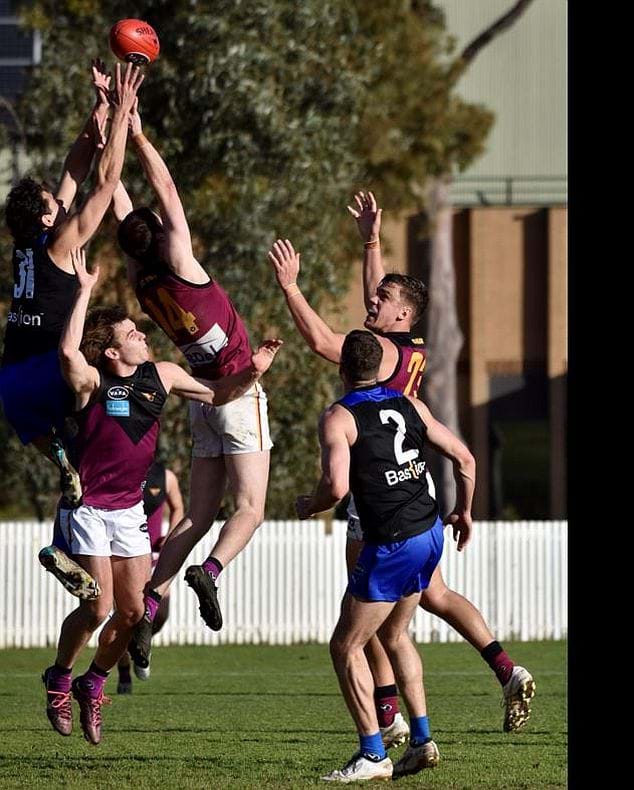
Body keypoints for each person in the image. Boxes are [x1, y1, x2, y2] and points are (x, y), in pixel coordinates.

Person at [266, 190, 535, 736]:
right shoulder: (406, 346)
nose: (373, 300)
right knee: (429, 597)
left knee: (372, 623)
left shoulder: (378, 352)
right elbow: (376, 298)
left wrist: (290, 287)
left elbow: (321, 340)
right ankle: (504, 671)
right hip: (416, 490)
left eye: (384, 298)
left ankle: (387, 721)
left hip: (378, 495)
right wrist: (370, 240)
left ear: (403, 313)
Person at [41, 250, 280, 744]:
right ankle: (61, 678)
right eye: (132, 334)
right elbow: (68, 353)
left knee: (131, 614)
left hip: (130, 511)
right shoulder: (91, 383)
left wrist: (253, 371)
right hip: (89, 507)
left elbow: (217, 394)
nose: (143, 335)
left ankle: (94, 682)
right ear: (110, 353)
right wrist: (84, 290)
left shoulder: (164, 375)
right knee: (97, 607)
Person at [109, 96, 273, 662]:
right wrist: (136, 134)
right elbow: (167, 192)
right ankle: (210, 570)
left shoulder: (142, 278)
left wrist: (107, 134)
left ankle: (152, 603)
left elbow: (124, 213)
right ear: (161, 233)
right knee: (250, 507)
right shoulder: (179, 261)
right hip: (235, 389)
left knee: (197, 513)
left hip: (198, 401)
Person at [297, 330, 475, 781]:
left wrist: (309, 504)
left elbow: (336, 488)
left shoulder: (338, 417)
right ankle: (420, 741)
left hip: (391, 540)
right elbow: (465, 459)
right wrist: (465, 511)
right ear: (381, 368)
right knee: (395, 637)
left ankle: (373, 754)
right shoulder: (410, 404)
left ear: (342, 369)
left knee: (345, 644)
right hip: (429, 532)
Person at [4, 61, 144, 601]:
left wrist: (100, 108)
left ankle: (58, 543)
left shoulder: (26, 246)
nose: (59, 205)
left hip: (11, 380)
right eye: (52, 205)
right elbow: (104, 181)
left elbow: (74, 164)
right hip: (51, 368)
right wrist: (126, 110)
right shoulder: (62, 246)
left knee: (69, 461)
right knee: (97, 436)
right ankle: (68, 526)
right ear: (46, 219)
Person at [116, 460, 184, 694]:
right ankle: (124, 672)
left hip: (155, 554)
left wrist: (171, 535)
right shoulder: (120, 470)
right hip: (126, 553)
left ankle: (141, 644)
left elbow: (178, 508)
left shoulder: (166, 477)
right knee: (128, 617)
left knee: (161, 613)